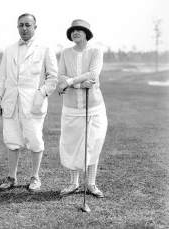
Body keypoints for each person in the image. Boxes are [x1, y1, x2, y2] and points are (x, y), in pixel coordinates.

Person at [0, 13, 58, 192]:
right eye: (21, 25)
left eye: (28, 25)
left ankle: (35, 177)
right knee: (12, 140)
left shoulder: (45, 48)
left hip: (33, 104)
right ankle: (11, 177)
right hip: (10, 102)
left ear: (35, 27)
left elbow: (52, 78)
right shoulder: (9, 49)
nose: (24, 28)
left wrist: (41, 93)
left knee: (35, 140)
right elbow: (2, 77)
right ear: (17, 27)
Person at [57, 19, 108, 198]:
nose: (75, 33)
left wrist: (70, 81)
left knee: (93, 144)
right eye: (72, 30)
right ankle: (73, 183)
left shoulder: (96, 51)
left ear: (87, 33)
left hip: (94, 107)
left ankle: (91, 184)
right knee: (72, 146)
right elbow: (60, 77)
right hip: (71, 108)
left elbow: (93, 74)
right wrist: (78, 85)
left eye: (79, 30)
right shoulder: (65, 53)